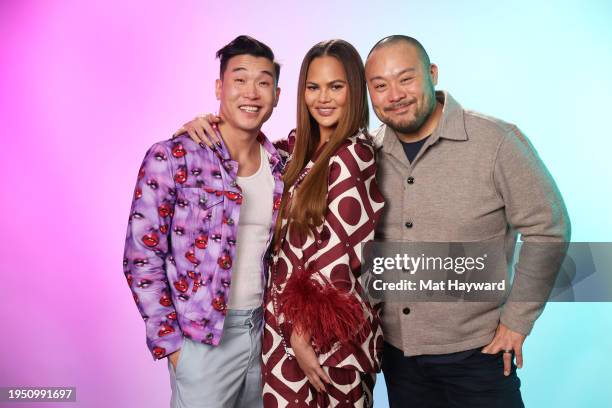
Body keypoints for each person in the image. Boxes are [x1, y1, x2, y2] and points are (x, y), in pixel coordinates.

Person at [364, 35, 569, 407]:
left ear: (433, 74)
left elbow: (548, 228)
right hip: (398, 359)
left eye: (406, 78)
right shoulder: (365, 153)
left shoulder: (496, 141)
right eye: (380, 85)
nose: (395, 94)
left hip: (479, 357)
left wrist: (518, 320)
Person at [181, 39, 385, 407]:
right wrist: (208, 126)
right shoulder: (295, 150)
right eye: (313, 87)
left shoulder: (355, 154)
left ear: (353, 90)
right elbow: (248, 148)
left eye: (336, 87)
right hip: (279, 330)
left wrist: (301, 335)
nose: (323, 98)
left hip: (322, 336)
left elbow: (338, 257)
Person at [122, 35, 284, 408]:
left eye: (263, 82)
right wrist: (174, 347)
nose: (252, 92)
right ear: (219, 87)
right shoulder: (173, 157)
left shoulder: (281, 165)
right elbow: (140, 257)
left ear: (276, 94)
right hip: (203, 341)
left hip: (266, 337)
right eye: (239, 79)